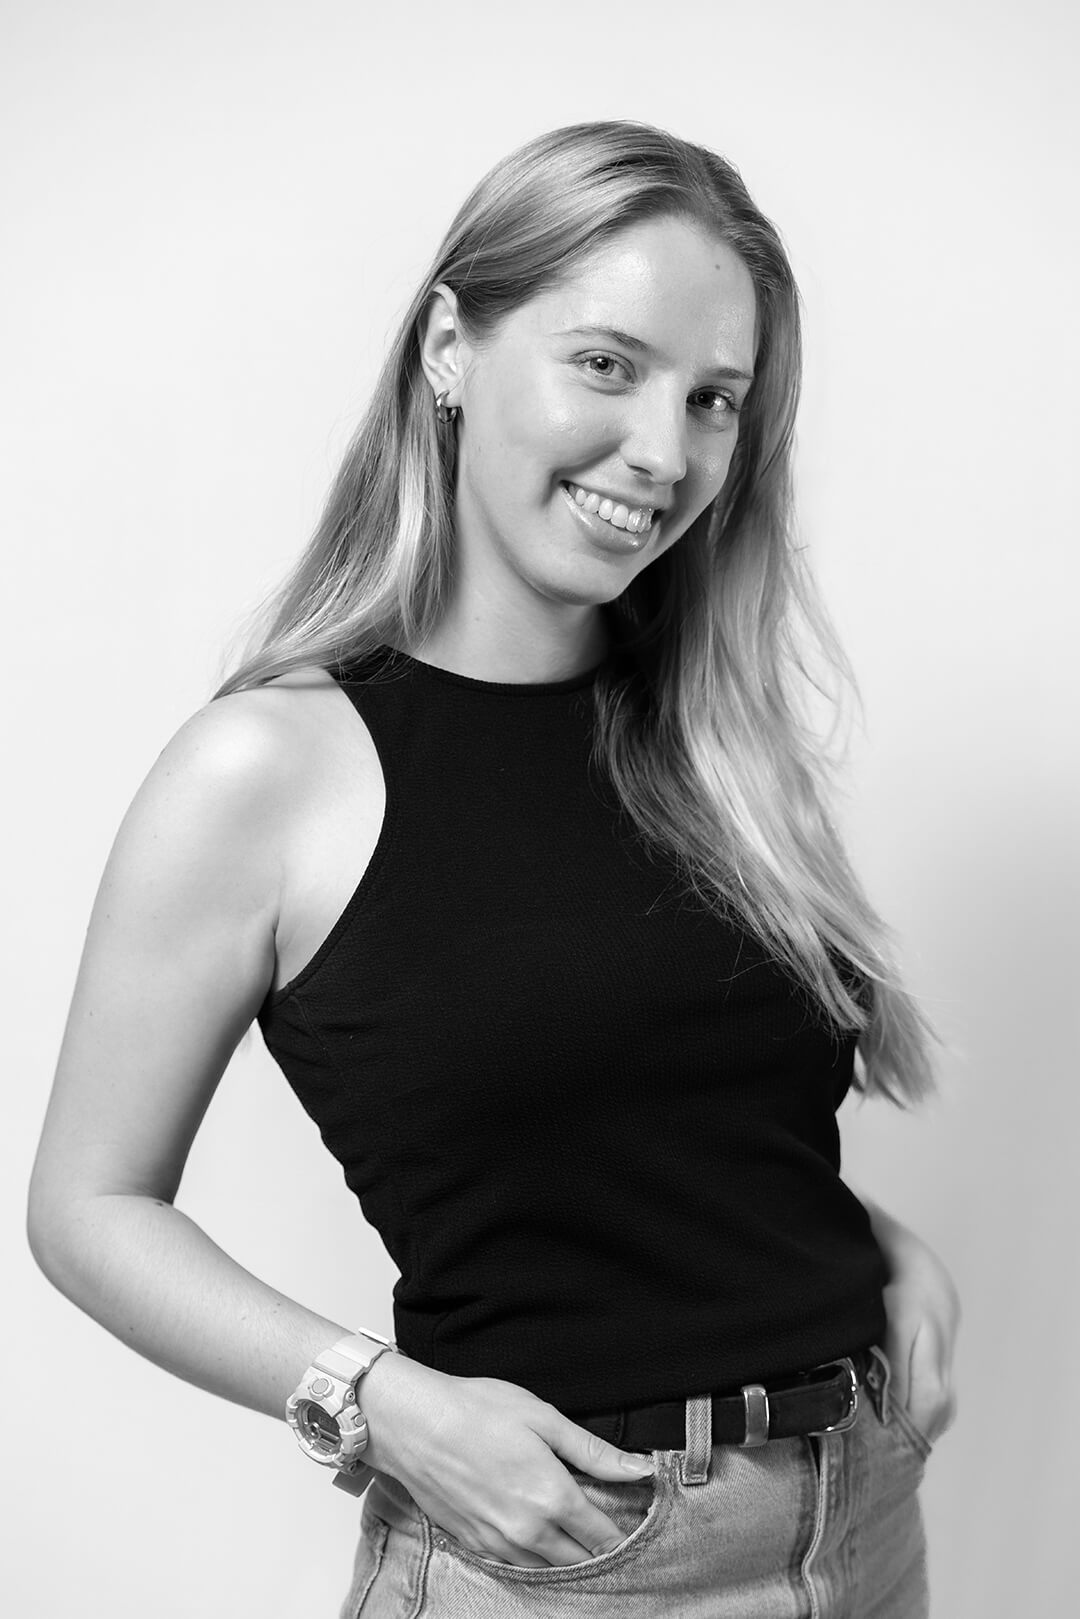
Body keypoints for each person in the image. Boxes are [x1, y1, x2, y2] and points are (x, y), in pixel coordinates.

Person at [28, 119, 961, 1617]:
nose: (664, 452)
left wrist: (870, 1252)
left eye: (714, 400)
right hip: (570, 1561)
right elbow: (88, 1207)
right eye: (608, 364)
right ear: (451, 347)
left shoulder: (716, 737)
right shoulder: (266, 770)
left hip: (860, 1514)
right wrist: (374, 1397)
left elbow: (679, 1127)